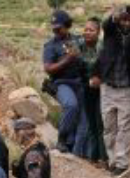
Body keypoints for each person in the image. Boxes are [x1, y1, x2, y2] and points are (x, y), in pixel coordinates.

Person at [93, 7, 130, 174]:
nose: (127, 23)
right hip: (108, 87)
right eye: (124, 19)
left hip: (129, 89)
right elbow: (107, 24)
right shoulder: (111, 32)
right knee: (109, 128)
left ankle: (121, 164)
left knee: (125, 129)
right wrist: (115, 17)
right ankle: (112, 160)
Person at [44, 11, 90, 156]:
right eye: (54, 29)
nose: (56, 31)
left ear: (67, 26)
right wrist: (67, 59)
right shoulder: (50, 45)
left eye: (59, 28)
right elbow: (48, 68)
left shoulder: (78, 40)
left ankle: (77, 156)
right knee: (71, 105)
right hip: (61, 83)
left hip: (80, 83)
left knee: (84, 123)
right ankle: (62, 139)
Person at [77, 18, 108, 163]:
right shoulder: (79, 46)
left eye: (91, 30)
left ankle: (104, 157)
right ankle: (92, 156)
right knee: (90, 123)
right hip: (86, 88)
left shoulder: (102, 48)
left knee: (100, 123)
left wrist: (99, 79)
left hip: (102, 89)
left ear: (98, 32)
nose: (87, 32)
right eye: (86, 29)